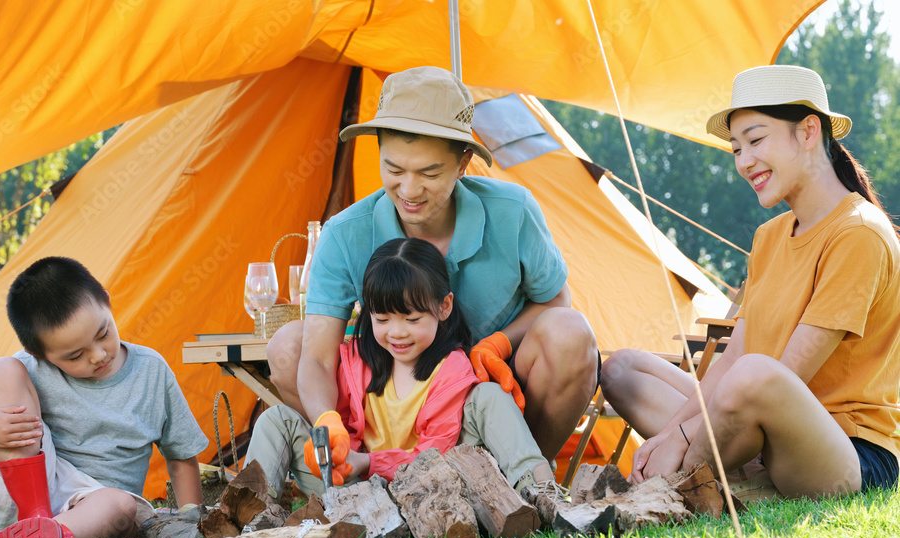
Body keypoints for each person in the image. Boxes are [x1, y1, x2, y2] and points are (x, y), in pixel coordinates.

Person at [267, 66, 599, 473]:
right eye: (394, 170)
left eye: (429, 173)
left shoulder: (514, 211)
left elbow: (556, 303)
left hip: (496, 392)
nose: (408, 190)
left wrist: (496, 344)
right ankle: (372, 477)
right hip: (395, 405)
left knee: (571, 333)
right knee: (286, 347)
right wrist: (325, 418)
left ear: (462, 164)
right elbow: (316, 357)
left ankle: (524, 480)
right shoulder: (344, 234)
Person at [601, 65, 900, 499]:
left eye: (756, 141)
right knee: (623, 369)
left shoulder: (858, 232)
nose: (744, 162)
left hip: (846, 452)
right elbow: (732, 357)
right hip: (760, 427)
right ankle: (739, 476)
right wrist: (669, 433)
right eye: (736, 149)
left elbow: (787, 375)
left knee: (757, 374)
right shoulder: (769, 236)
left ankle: (690, 482)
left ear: (808, 131)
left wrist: (683, 439)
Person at [246, 238, 565, 510]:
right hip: (355, 491)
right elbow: (339, 435)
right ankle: (251, 508)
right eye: (382, 320)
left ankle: (538, 491)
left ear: (444, 307)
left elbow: (435, 455)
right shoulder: (353, 362)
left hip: (432, 487)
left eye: (411, 320)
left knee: (489, 396)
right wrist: (331, 441)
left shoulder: (451, 370)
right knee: (277, 420)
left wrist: (369, 462)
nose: (397, 333)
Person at [0, 256, 208, 538]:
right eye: (75, 355)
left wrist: (190, 519)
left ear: (107, 302)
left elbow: (181, 456)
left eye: (103, 334)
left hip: (99, 513)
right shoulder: (30, 368)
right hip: (25, 491)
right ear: (40, 353)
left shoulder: (151, 371)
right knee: (0, 369)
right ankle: (34, 521)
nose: (97, 355)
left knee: (120, 505)